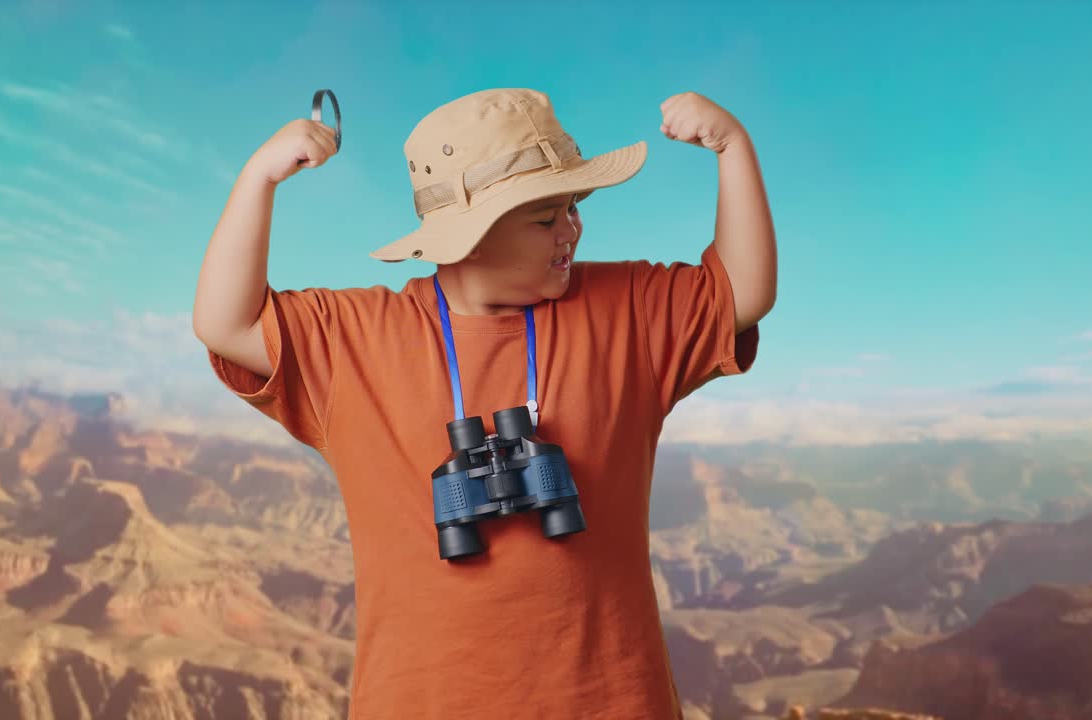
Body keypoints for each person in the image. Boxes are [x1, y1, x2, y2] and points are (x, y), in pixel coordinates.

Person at [193, 87, 776, 719]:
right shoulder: (356, 337)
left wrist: (733, 148)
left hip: (608, 701)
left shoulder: (624, 307)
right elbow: (226, 324)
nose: (572, 230)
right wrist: (259, 180)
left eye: (574, 207)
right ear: (467, 236)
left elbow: (741, 292)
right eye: (544, 217)